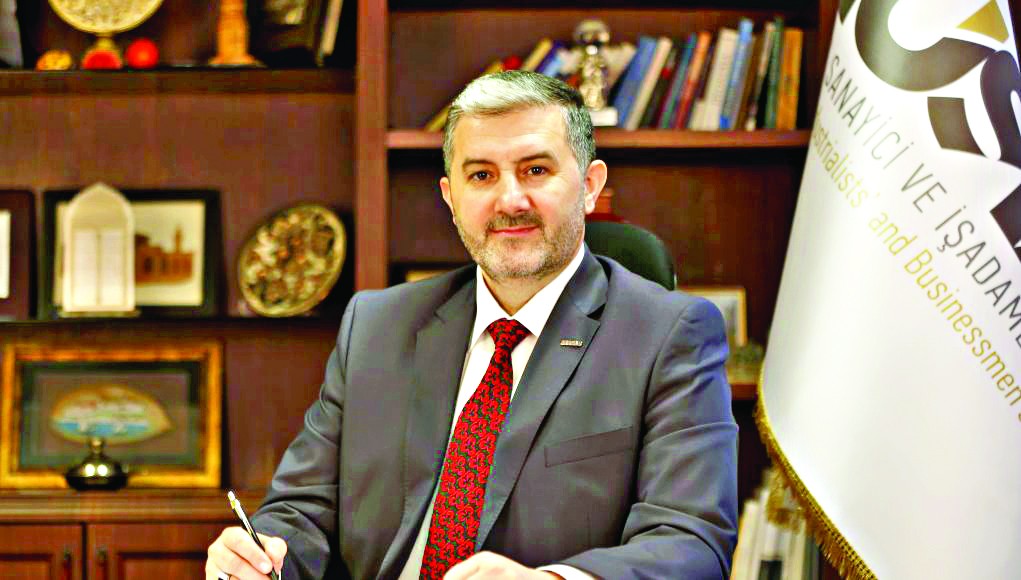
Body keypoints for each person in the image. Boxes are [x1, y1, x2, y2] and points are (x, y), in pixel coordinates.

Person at [205, 70, 738, 580]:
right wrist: (262, 555)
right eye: (481, 175)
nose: (510, 201)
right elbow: (302, 510)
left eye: (536, 170)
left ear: (590, 185)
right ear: (450, 198)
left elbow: (690, 542)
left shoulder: (669, 334)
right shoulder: (375, 325)